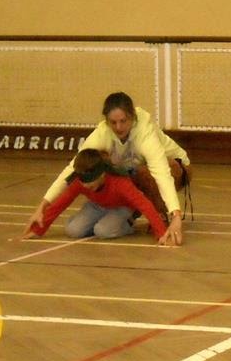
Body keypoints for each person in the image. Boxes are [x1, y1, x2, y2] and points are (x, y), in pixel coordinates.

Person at [26, 92, 191, 246]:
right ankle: (120, 212)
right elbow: (72, 169)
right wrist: (42, 207)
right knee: (107, 166)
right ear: (106, 121)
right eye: (113, 122)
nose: (118, 127)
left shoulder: (145, 134)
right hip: (131, 174)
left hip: (177, 168)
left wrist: (175, 215)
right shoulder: (102, 133)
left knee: (143, 174)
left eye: (123, 121)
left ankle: (160, 217)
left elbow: (162, 174)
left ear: (132, 116)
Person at [23, 149, 175, 244]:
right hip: (97, 206)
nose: (86, 186)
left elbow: (144, 204)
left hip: (122, 208)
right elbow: (60, 203)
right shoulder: (80, 182)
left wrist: (162, 233)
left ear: (102, 174)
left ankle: (127, 223)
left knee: (103, 231)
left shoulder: (119, 182)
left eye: (90, 183)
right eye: (83, 183)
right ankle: (97, 224)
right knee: (73, 231)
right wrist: (38, 230)